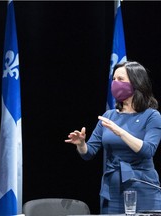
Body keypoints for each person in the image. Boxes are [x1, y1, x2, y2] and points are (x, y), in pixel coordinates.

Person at [65, 61, 161, 214]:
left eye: (121, 79)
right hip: (113, 189)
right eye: (114, 79)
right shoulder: (108, 116)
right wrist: (81, 144)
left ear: (137, 82)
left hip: (143, 188)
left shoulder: (151, 116)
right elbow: (89, 153)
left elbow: (148, 150)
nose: (115, 83)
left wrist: (120, 131)